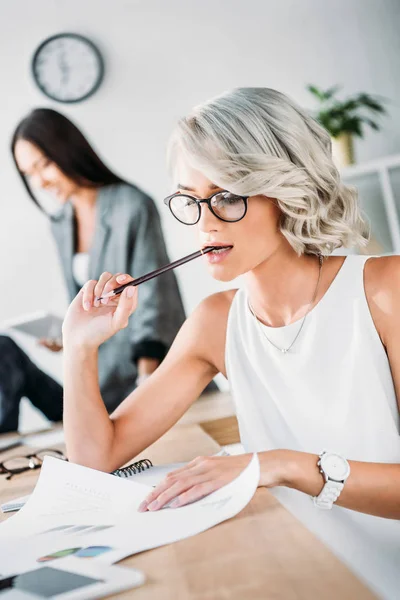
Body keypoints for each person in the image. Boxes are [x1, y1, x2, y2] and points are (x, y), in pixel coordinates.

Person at [61, 89, 400, 598]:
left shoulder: (384, 290)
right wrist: (78, 347)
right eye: (191, 200)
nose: (205, 221)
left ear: (285, 190)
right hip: (296, 571)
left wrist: (278, 464)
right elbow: (95, 458)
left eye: (226, 196)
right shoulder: (215, 322)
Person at [1, 108, 187, 432]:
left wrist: (147, 384)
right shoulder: (60, 223)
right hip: (107, 387)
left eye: (44, 164)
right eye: (29, 173)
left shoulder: (132, 206)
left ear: (67, 149)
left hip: (154, 380)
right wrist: (68, 337)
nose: (40, 181)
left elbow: (156, 301)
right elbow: (89, 302)